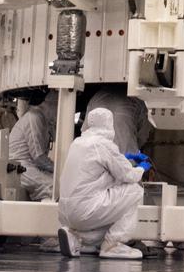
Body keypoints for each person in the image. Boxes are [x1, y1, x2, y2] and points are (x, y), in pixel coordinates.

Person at [57, 108, 148, 259]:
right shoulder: (103, 144)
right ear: (109, 123)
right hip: (85, 210)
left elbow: (97, 166)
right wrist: (141, 168)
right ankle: (112, 245)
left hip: (66, 213)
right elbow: (129, 176)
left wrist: (123, 157)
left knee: (107, 203)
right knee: (134, 190)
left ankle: (77, 237)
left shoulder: (78, 143)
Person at [8, 91, 55, 201]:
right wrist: (57, 169)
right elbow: (38, 157)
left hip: (29, 165)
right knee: (52, 187)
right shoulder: (34, 117)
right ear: (48, 104)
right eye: (56, 106)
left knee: (59, 182)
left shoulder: (41, 118)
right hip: (20, 166)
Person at [83, 88, 153, 157]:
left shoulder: (97, 97)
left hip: (95, 155)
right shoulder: (139, 101)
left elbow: (85, 130)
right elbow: (143, 136)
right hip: (125, 154)